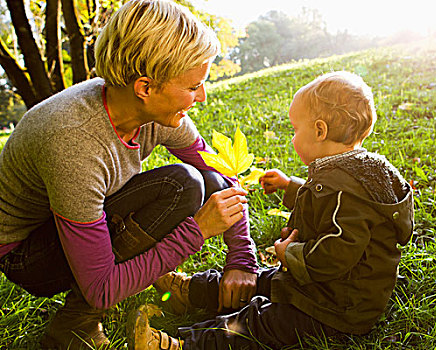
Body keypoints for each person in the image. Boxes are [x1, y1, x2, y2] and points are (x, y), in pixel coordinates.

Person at [0, 1, 258, 349]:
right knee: (181, 186)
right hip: (26, 254)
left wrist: (241, 260)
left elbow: (220, 174)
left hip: (70, 219)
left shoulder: (150, 110)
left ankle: (144, 273)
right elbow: (102, 288)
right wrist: (198, 231)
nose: (202, 96)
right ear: (146, 88)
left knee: (202, 180)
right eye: (193, 86)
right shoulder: (73, 139)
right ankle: (74, 327)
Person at [129, 71, 414, 349]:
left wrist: (290, 253)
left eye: (295, 129)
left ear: (319, 131)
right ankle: (190, 292)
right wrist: (290, 186)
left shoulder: (347, 190)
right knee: (261, 280)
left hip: (335, 308)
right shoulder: (356, 173)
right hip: (317, 286)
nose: (292, 138)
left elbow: (339, 250)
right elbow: (326, 200)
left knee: (259, 320)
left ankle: (183, 344)